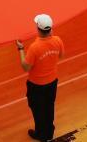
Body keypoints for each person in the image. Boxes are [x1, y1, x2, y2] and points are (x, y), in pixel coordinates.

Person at [17, 14, 64, 142]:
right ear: (50, 29)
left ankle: (41, 134)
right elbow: (61, 55)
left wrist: (21, 49)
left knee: (37, 110)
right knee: (49, 106)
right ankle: (49, 132)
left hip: (36, 85)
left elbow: (25, 67)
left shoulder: (34, 47)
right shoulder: (58, 40)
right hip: (52, 82)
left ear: (38, 29)